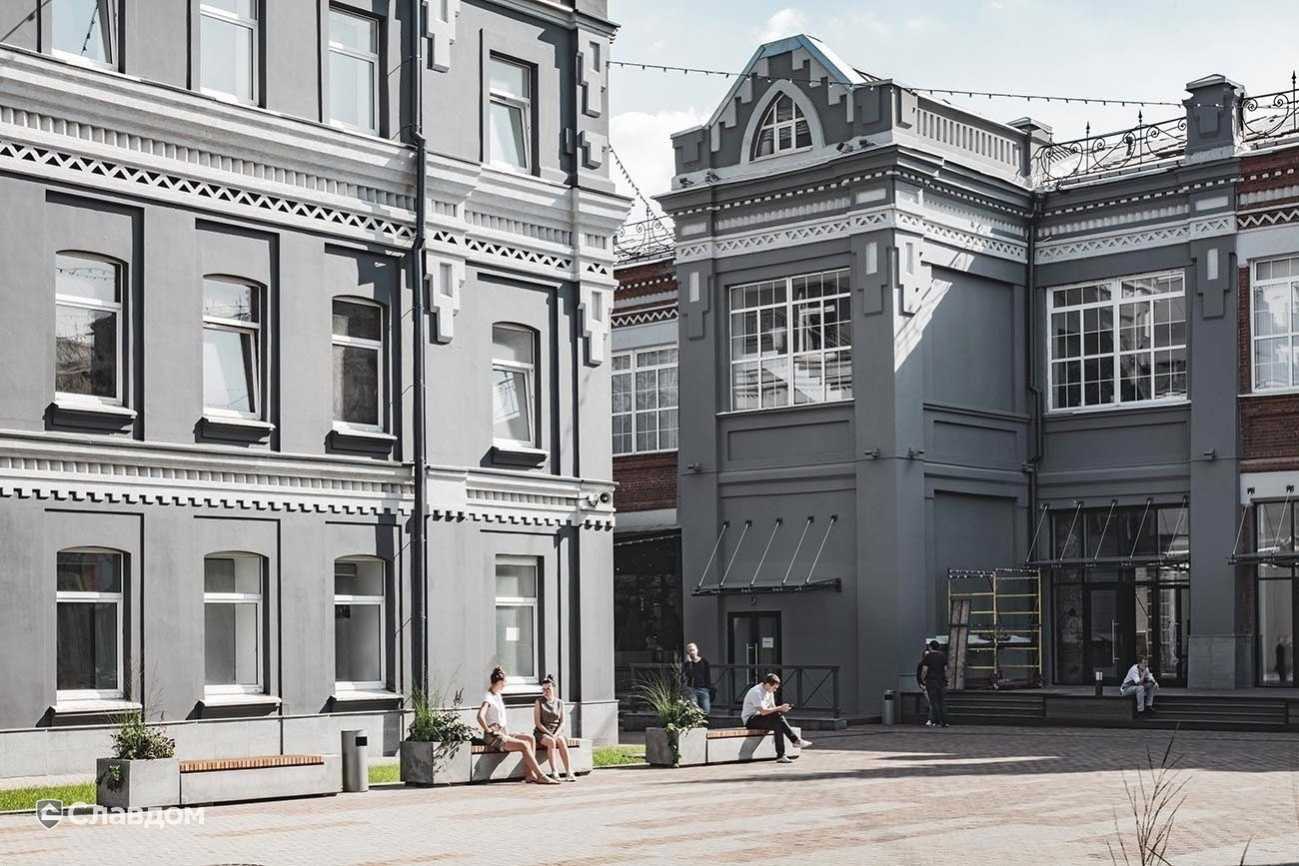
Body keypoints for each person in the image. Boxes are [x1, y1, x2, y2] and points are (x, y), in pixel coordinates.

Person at [477, 666, 558, 784]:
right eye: (504, 682)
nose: (505, 685)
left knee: (530, 738)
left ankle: (530, 774)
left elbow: (500, 720)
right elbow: (480, 716)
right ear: (499, 682)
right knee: (524, 745)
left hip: (503, 733)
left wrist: (508, 733)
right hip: (493, 737)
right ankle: (541, 776)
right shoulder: (488, 697)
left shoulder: (497, 694)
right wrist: (488, 730)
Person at [740, 673, 813, 764]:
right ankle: (795, 741)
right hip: (750, 720)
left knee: (778, 722)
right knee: (777, 718)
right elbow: (763, 711)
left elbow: (772, 708)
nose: (775, 690)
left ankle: (781, 755)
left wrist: (781, 709)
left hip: (762, 718)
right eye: (774, 688)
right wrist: (779, 708)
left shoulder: (769, 691)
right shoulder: (756, 692)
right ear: (767, 684)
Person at [533, 675, 576, 782]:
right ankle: (554, 772)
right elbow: (538, 723)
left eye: (548, 688)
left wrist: (556, 734)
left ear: (553, 688)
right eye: (544, 689)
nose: (546, 691)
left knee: (561, 741)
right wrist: (550, 734)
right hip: (542, 732)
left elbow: (562, 722)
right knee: (551, 742)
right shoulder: (539, 702)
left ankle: (569, 772)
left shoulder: (560, 703)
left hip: (556, 731)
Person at [919, 640, 948, 728]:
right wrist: (946, 679)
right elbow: (946, 669)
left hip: (931, 681)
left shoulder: (928, 657)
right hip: (941, 682)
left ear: (930, 647)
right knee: (942, 702)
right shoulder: (943, 656)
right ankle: (944, 721)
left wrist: (923, 679)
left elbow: (925, 670)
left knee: (934, 702)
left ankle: (936, 721)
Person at [682, 642, 712, 714]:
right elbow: (690, 674)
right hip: (692, 689)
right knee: (694, 711)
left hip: (703, 689)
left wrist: (708, 687)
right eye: (690, 650)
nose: (692, 652)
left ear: (697, 650)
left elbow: (707, 675)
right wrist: (689, 663)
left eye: (693, 650)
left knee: (706, 710)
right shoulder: (687, 664)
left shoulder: (704, 661)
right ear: (688, 653)